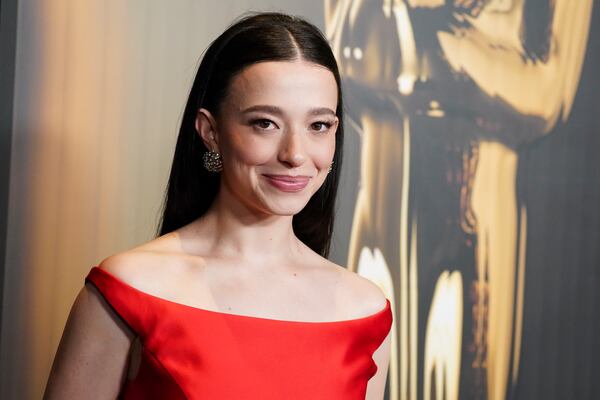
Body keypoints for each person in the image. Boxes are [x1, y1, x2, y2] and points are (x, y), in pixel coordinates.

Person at [43, 11, 392, 400]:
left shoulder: (364, 310)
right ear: (211, 131)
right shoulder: (129, 289)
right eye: (265, 123)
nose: (295, 154)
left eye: (319, 126)